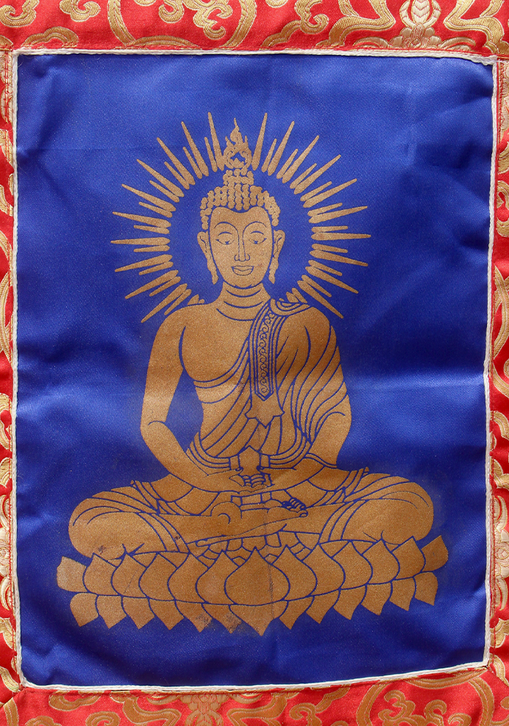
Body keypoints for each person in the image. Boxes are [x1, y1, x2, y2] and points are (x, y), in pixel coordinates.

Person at [61, 125, 446, 631]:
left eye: (255, 237)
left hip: (299, 485)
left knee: (406, 505)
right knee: (91, 523)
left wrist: (298, 476)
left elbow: (334, 414)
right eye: (227, 238)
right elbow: (153, 423)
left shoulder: (307, 322)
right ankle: (288, 554)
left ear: (277, 243)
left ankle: (216, 554)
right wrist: (206, 480)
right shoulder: (183, 324)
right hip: (201, 486)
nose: (242, 252)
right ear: (205, 247)